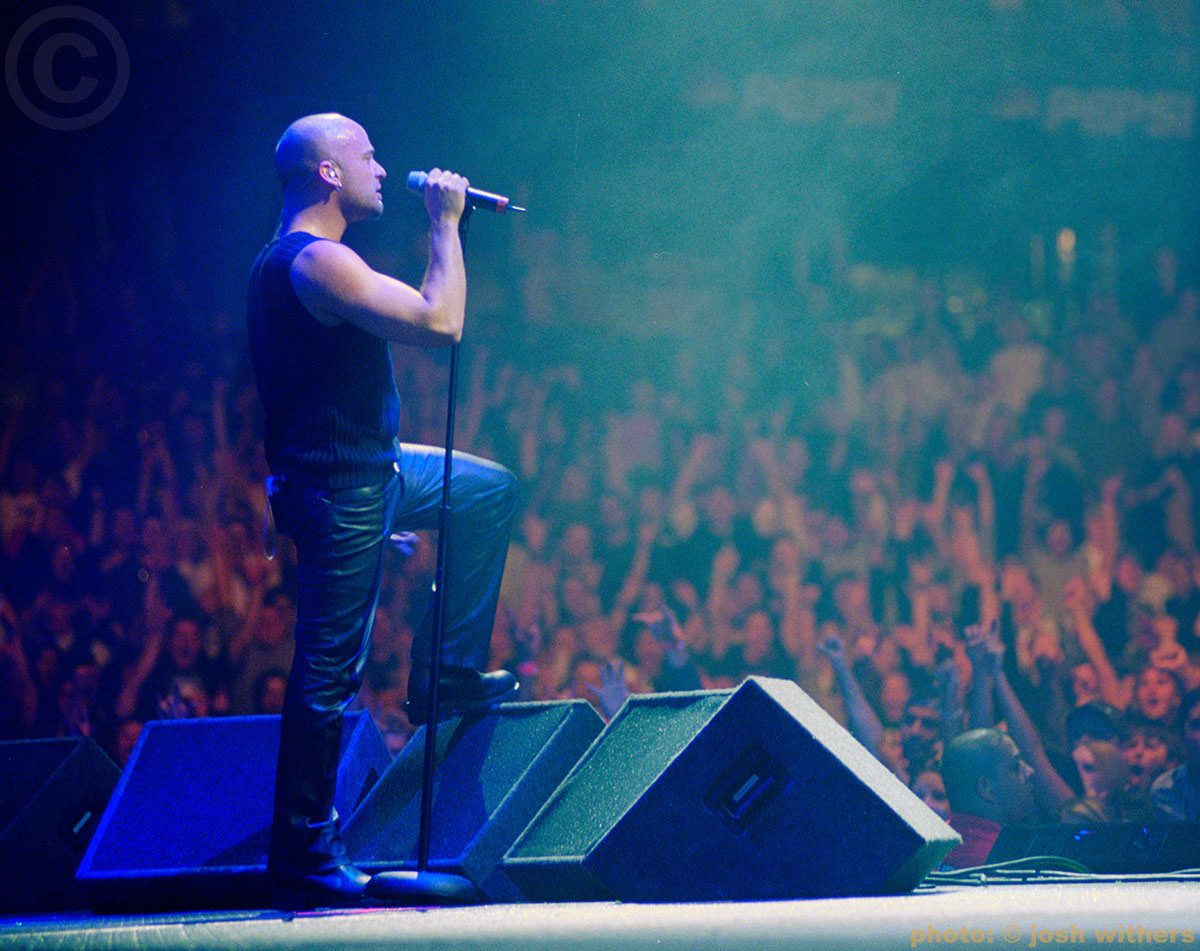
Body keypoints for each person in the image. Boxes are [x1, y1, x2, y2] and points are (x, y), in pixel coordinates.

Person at [247, 113, 518, 907]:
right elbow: (440, 321)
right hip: (343, 486)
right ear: (328, 173)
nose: (381, 166)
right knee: (329, 673)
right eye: (365, 155)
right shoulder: (314, 260)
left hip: (374, 470)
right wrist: (445, 223)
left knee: (487, 491)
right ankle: (301, 854)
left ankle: (446, 672)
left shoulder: (292, 258)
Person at [939, 728, 1036, 869]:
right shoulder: (1007, 862)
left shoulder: (930, 850)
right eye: (1015, 767)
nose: (1030, 771)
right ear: (986, 788)